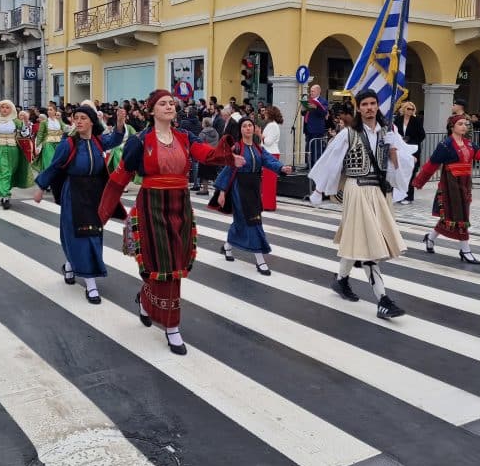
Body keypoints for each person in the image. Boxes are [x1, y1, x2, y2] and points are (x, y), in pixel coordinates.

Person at [98, 89, 242, 355]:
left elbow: (207, 154)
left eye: (171, 104)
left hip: (180, 204)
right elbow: (120, 177)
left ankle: (145, 299)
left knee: (175, 261)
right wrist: (103, 213)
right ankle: (172, 326)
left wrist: (229, 156)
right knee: (162, 264)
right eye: (162, 104)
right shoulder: (140, 141)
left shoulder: (185, 137)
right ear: (152, 110)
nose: (169, 107)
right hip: (152, 205)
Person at [307, 90, 409, 319]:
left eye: (373, 103)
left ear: (378, 106)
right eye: (365, 104)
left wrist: (394, 149)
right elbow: (331, 161)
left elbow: (397, 169)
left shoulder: (388, 132)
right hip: (356, 188)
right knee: (370, 244)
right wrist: (319, 189)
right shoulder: (349, 134)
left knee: (359, 239)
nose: (370, 107)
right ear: (358, 107)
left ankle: (341, 280)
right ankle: (383, 299)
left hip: (378, 191)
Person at [33, 104, 127, 304]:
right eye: (76, 118)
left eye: (83, 118)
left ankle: (70, 265)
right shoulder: (68, 144)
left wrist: (119, 123)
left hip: (95, 193)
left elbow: (117, 139)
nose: (79, 121)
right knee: (79, 235)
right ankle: (91, 284)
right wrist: (41, 187)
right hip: (74, 193)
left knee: (94, 234)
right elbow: (55, 166)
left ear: (92, 121)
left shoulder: (99, 141)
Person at [412, 114, 480, 264]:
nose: (464, 126)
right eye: (460, 124)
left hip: (465, 185)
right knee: (461, 218)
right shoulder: (445, 145)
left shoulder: (469, 143)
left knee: (451, 218)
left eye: (465, 124)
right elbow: (432, 164)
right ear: (452, 127)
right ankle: (465, 250)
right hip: (450, 185)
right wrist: (419, 181)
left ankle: (430, 237)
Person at [211, 116, 292, 274]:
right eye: (244, 126)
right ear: (240, 129)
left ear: (254, 128)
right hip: (239, 188)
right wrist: (221, 192)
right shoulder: (236, 148)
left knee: (242, 221)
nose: (247, 128)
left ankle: (227, 246)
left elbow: (268, 160)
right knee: (253, 222)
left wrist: (282, 168)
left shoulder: (258, 148)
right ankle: (260, 261)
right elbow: (228, 170)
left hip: (254, 189)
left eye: (250, 125)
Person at [0, 99, 33, 209]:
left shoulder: (16, 121)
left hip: (12, 149)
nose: (4, 109)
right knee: (0, 170)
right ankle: (5, 195)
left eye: (7, 107)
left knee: (9, 172)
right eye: (2, 107)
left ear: (11, 109)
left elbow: (25, 134)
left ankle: (5, 193)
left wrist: (25, 122)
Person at [394, 100, 425, 204]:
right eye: (408, 109)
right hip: (400, 149)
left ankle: (409, 196)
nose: (410, 111)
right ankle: (399, 195)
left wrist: (410, 141)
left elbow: (422, 135)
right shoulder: (398, 120)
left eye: (412, 109)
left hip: (413, 149)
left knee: (411, 172)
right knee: (400, 172)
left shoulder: (416, 121)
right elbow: (394, 133)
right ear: (404, 109)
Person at [259, 105, 284, 211]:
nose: (264, 113)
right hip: (270, 153)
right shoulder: (272, 125)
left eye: (266, 112)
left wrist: (260, 135)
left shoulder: (272, 126)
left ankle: (268, 205)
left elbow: (268, 142)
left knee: (269, 182)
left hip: (271, 154)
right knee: (267, 182)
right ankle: (267, 204)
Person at [33, 102, 70, 172]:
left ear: (55, 111)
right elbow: (40, 134)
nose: (49, 111)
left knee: (58, 161)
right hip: (48, 143)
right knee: (49, 161)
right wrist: (37, 146)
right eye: (48, 110)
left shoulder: (59, 121)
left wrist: (73, 127)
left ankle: (55, 179)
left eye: (51, 110)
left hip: (58, 144)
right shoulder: (44, 122)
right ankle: (49, 178)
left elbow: (65, 128)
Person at [303, 84, 329, 168]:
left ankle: (315, 165)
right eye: (310, 91)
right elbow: (303, 113)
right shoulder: (309, 100)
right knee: (308, 147)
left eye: (312, 91)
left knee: (316, 148)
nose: (310, 93)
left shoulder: (323, 101)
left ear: (318, 91)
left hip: (317, 129)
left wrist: (316, 107)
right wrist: (304, 108)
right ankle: (308, 164)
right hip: (308, 128)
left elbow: (323, 113)